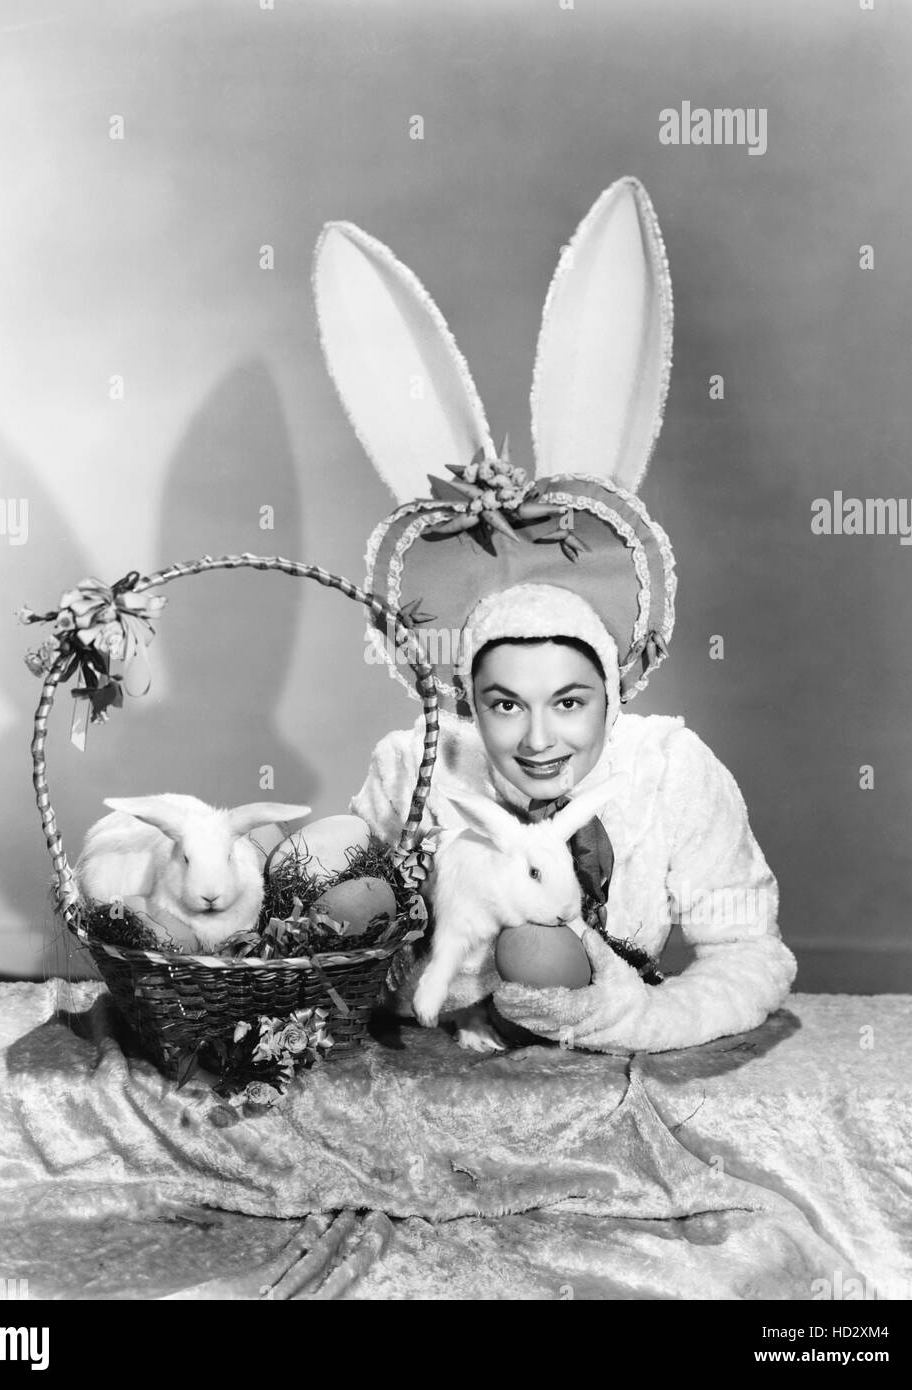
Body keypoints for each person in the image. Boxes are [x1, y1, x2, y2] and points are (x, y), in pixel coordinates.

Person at [312, 175, 797, 1053]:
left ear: (614, 693)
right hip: (436, 1040)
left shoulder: (672, 773)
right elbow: (351, 921)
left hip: (609, 1005)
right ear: (469, 700)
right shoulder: (413, 764)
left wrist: (638, 1018)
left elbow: (748, 955)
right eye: (506, 703)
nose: (539, 739)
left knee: (542, 954)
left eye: (568, 701)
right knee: (337, 873)